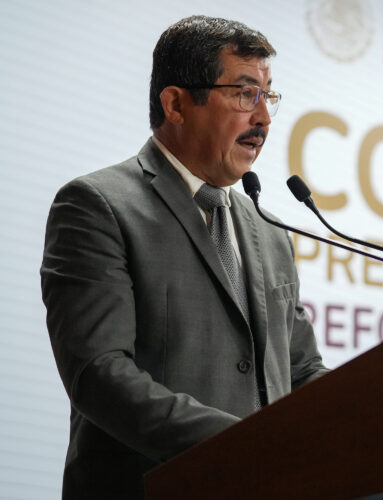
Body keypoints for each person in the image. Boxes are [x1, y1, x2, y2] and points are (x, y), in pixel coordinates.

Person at [40, 15, 327, 499]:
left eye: (267, 96)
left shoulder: (270, 231)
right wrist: (244, 445)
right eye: (245, 94)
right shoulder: (98, 206)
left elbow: (300, 372)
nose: (263, 118)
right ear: (175, 104)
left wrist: (372, 413)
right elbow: (99, 374)